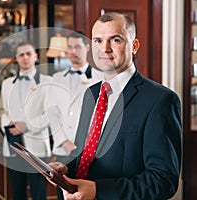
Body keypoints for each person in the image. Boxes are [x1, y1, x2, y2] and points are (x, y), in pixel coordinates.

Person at [49, 12, 182, 200]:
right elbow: (82, 151)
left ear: (134, 46)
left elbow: (163, 180)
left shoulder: (160, 100)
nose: (105, 48)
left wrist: (98, 190)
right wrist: (65, 169)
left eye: (116, 40)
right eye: (98, 41)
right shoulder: (91, 94)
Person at [49, 31, 103, 200]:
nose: (73, 51)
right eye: (69, 47)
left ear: (87, 47)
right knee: (63, 195)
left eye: (77, 46)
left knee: (85, 194)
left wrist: (86, 141)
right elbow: (52, 112)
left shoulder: (100, 77)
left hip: (89, 148)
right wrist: (64, 141)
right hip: (63, 148)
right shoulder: (56, 78)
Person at [0, 42, 52, 200]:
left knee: (38, 193)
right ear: (16, 58)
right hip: (13, 144)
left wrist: (26, 126)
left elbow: (51, 114)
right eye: (21, 55)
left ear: (35, 56)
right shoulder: (7, 84)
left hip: (37, 145)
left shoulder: (47, 81)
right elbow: (1, 110)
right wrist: (9, 124)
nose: (25, 57)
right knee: (17, 192)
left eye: (29, 53)